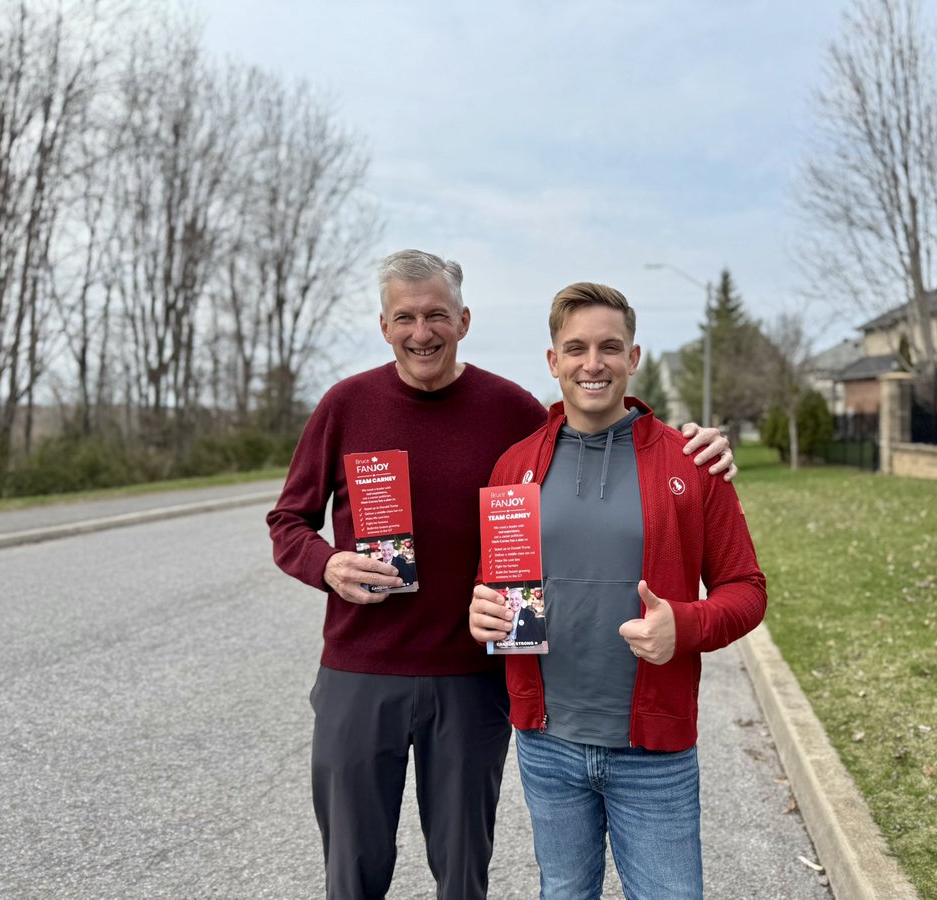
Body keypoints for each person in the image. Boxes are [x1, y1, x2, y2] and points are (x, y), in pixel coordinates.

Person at [266, 250, 736, 900]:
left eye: (436, 314)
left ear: (463, 319)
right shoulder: (345, 406)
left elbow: (599, 427)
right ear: (383, 325)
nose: (421, 331)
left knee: (463, 873)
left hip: (470, 680)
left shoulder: (511, 412)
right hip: (359, 670)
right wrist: (326, 565)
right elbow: (287, 522)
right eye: (405, 316)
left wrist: (694, 445)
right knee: (352, 868)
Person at [469, 282, 767, 900]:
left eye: (610, 346)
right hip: (547, 744)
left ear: (634, 358)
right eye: (575, 348)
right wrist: (483, 611)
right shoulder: (514, 466)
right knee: (565, 892)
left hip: (652, 753)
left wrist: (683, 626)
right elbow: (496, 585)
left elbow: (746, 589)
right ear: (553, 361)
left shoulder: (691, 463)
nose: (592, 362)